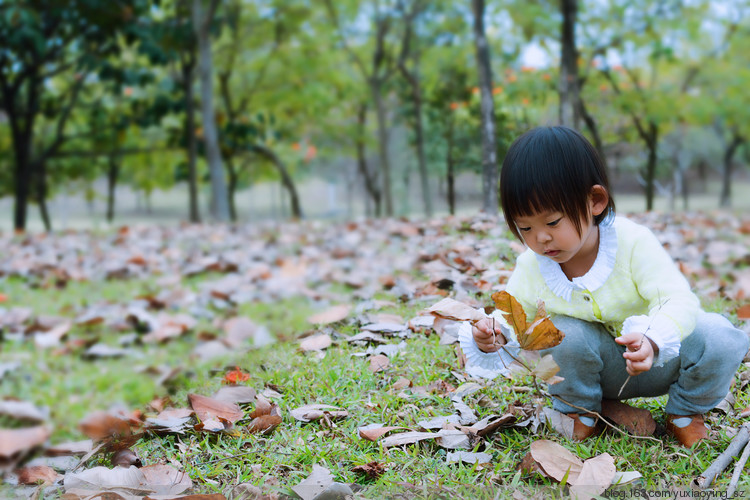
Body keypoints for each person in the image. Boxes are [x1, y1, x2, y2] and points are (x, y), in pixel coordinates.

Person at [459, 126, 749, 447]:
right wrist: (493, 333)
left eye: (553, 222)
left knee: (722, 337)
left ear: (595, 201)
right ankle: (579, 410)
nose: (541, 238)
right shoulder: (533, 265)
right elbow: (514, 315)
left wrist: (654, 338)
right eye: (525, 227)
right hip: (592, 370)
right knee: (559, 331)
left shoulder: (632, 243)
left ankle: (685, 411)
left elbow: (677, 299)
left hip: (659, 360)